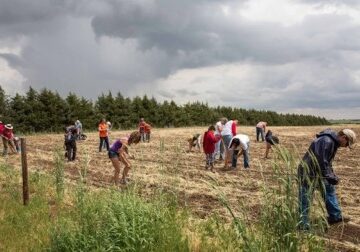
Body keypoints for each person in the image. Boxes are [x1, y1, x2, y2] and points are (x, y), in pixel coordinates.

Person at [298, 128, 356, 230]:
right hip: (308, 172)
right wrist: (329, 176)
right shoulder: (326, 141)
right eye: (347, 144)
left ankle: (335, 216)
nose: (346, 147)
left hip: (319, 172)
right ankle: (303, 224)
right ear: (344, 137)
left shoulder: (332, 142)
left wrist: (332, 176)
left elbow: (327, 163)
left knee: (329, 189)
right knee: (306, 196)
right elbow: (321, 161)